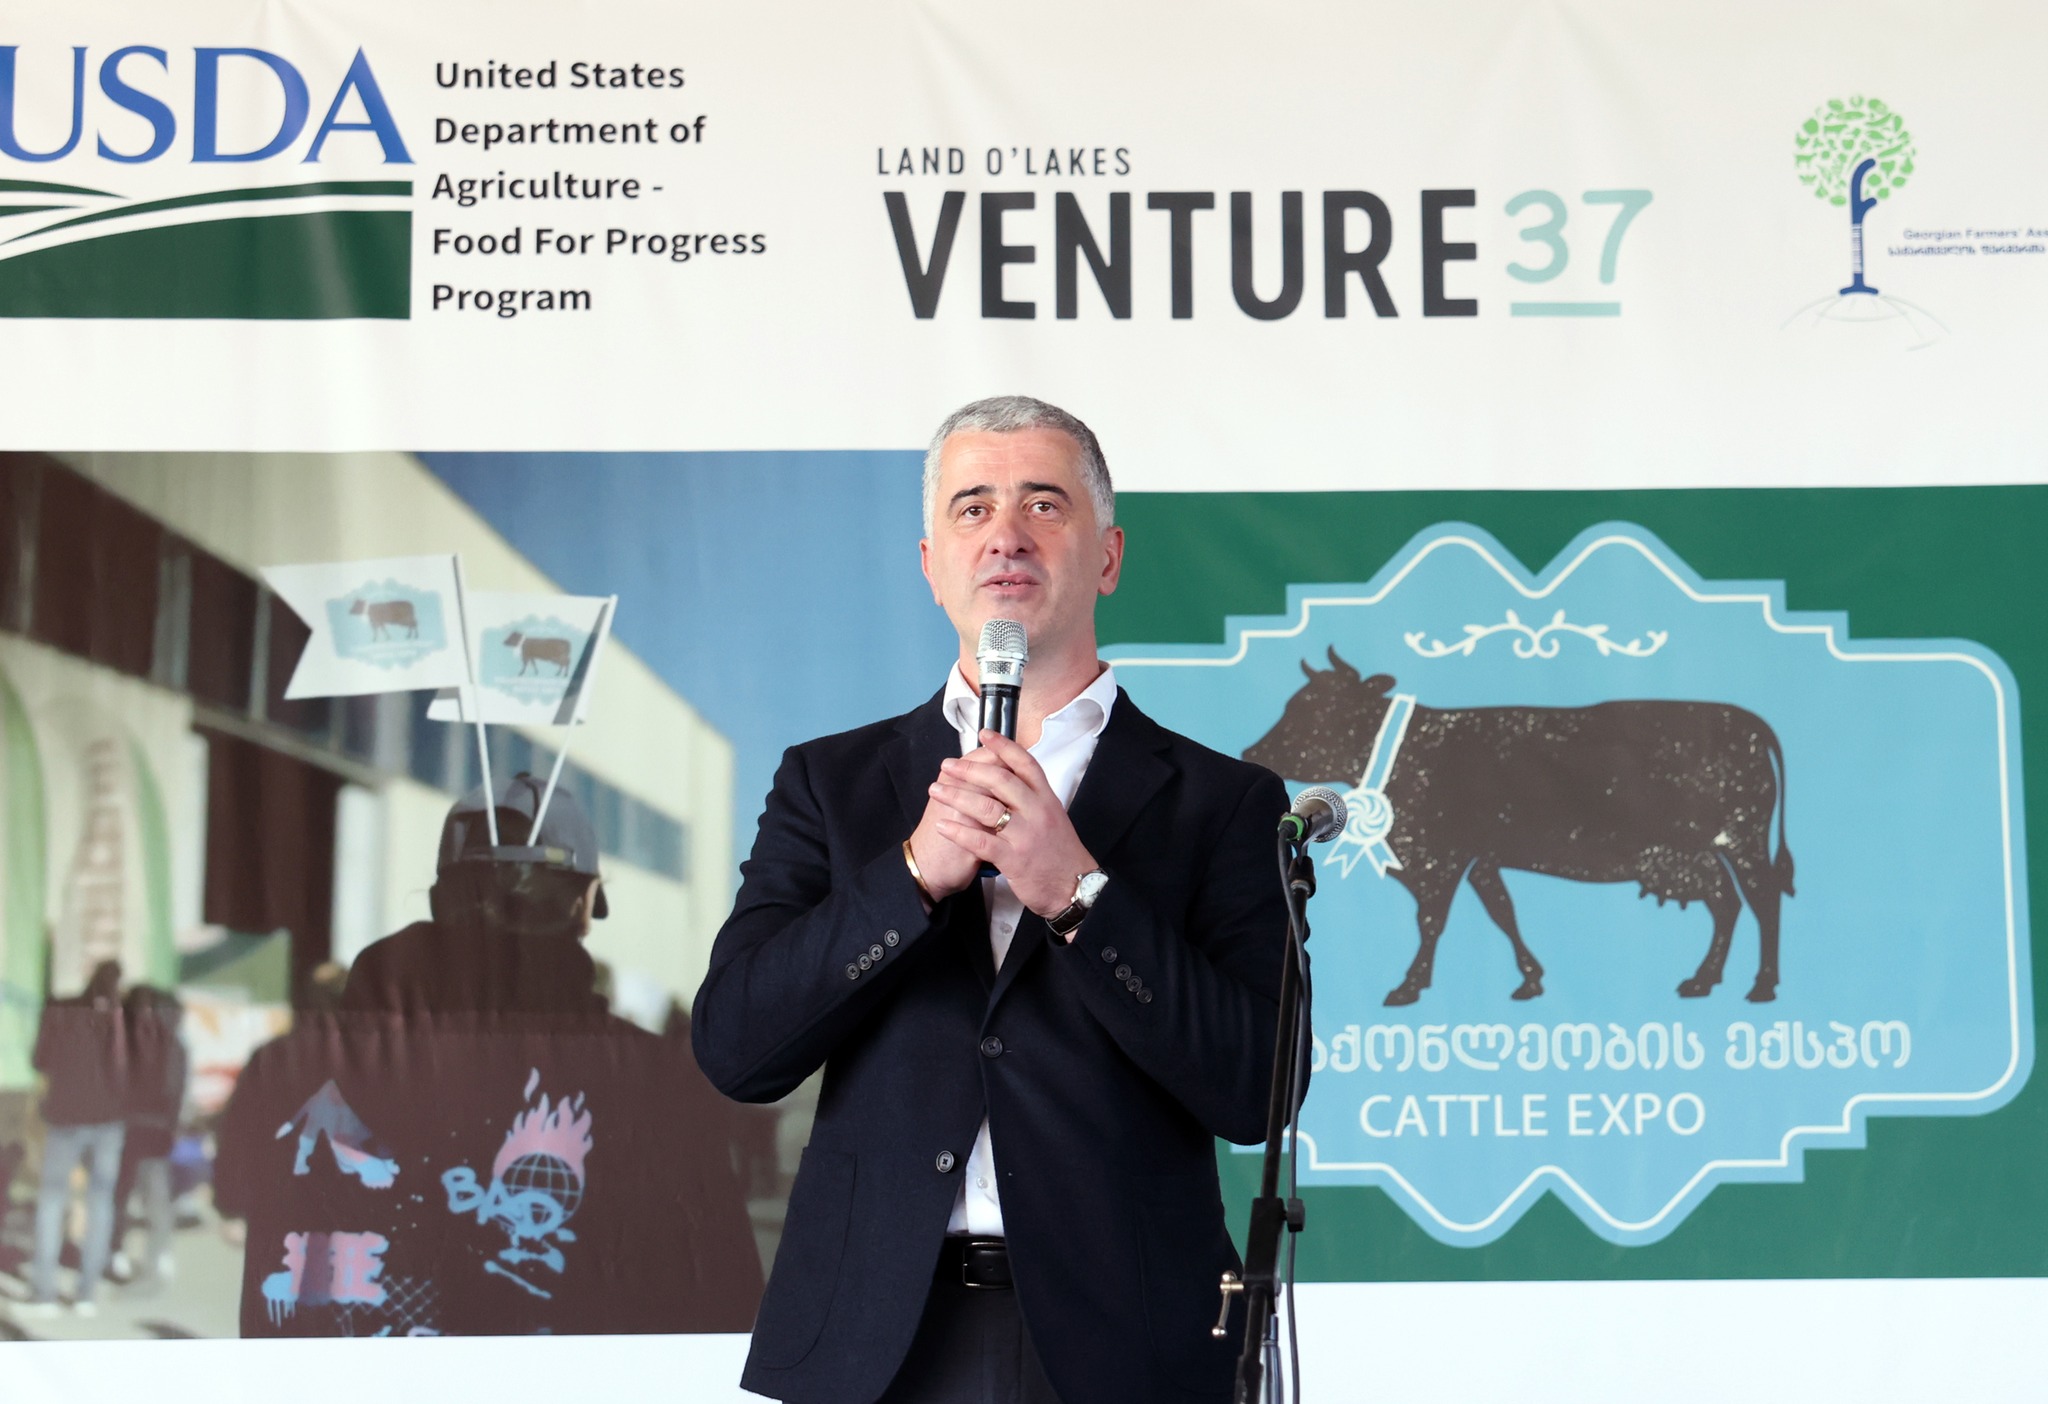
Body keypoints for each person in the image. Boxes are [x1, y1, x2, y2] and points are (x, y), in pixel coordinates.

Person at [692, 397, 1294, 1404]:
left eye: (1043, 504)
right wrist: (909, 877)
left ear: (1107, 556)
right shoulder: (830, 784)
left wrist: (1078, 896)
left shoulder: (1225, 803)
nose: (1006, 534)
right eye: (972, 507)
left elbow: (1256, 1089)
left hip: (1130, 1343)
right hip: (875, 1343)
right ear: (932, 566)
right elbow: (737, 1049)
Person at [214, 775, 762, 1337]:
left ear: (437, 901)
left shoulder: (284, 1070)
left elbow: (232, 1198)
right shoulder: (658, 1082)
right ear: (585, 907)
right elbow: (727, 1307)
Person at [20, 960, 128, 1318]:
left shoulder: (61, 1010)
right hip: (109, 1120)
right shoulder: (120, 1017)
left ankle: (44, 1294)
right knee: (101, 1202)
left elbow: (40, 1060)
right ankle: (86, 1294)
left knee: (52, 1200)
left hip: (65, 1117)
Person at [109, 985, 188, 1291]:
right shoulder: (173, 1044)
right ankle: (159, 1255)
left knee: (122, 1195)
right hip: (155, 1128)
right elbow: (176, 1090)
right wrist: (172, 1125)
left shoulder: (127, 1040)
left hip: (129, 1126)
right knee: (155, 1197)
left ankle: (116, 1252)